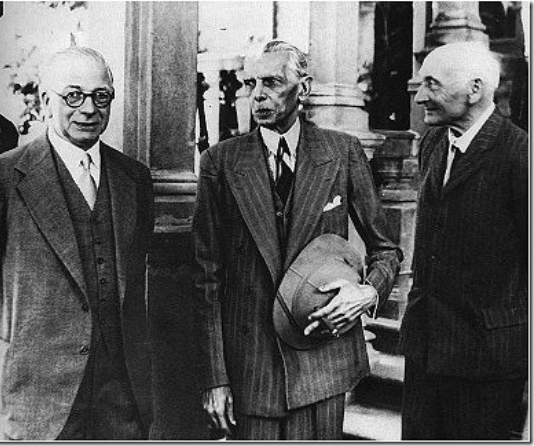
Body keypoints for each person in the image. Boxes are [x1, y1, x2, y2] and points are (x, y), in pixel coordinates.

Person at [192, 40, 402, 440]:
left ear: (302, 89)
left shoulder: (342, 153)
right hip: (252, 369)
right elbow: (206, 278)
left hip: (323, 361)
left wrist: (367, 293)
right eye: (253, 83)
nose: (258, 95)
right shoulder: (220, 163)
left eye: (272, 82)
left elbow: (386, 249)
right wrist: (215, 379)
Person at [0, 46, 154, 440]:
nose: (88, 109)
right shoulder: (1, 177)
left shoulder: (135, 179)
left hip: (122, 397)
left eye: (100, 96)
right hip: (34, 398)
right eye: (73, 96)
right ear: (46, 101)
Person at [399, 41, 528, 440]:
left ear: (474, 90)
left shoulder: (520, 156)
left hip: (486, 363)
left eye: (432, 85)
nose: (420, 96)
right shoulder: (435, 142)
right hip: (424, 352)